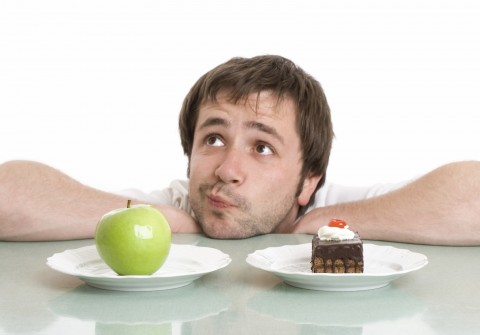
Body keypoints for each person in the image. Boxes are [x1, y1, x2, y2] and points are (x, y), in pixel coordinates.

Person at [0, 55, 479, 245]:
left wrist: (318, 222)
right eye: (213, 139)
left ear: (309, 180)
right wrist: (163, 218)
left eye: (263, 147)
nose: (227, 169)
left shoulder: (335, 205)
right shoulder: (174, 202)